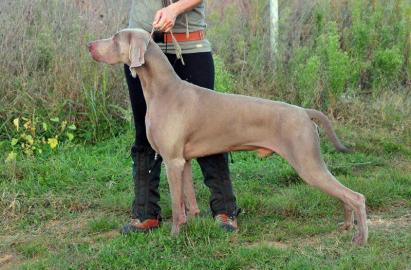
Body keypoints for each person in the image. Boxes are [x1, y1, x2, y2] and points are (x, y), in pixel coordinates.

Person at [121, 0, 241, 234]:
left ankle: (224, 210)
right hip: (141, 50)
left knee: (210, 130)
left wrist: (174, 9)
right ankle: (146, 213)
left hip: (190, 48)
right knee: (145, 133)